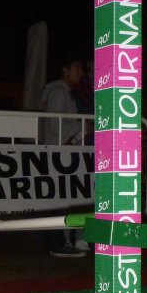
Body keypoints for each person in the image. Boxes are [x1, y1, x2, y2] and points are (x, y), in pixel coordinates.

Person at [39, 57, 86, 258]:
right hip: (62, 153)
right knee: (63, 200)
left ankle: (65, 242)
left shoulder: (62, 92)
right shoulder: (60, 93)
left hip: (62, 152)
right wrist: (81, 129)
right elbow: (56, 126)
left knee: (64, 199)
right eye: (77, 67)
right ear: (65, 69)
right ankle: (61, 243)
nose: (80, 72)